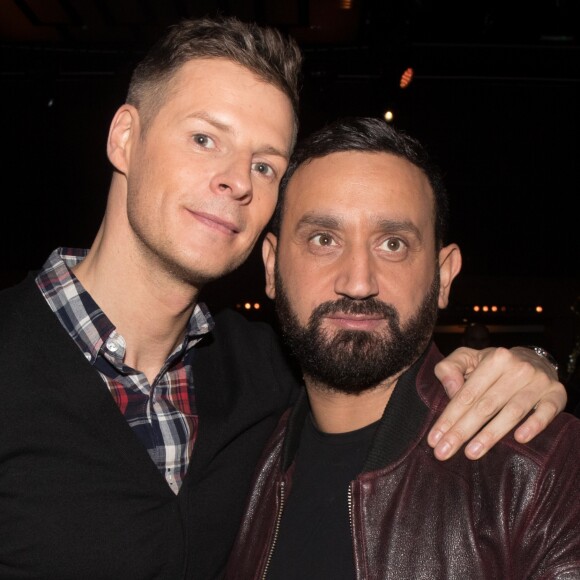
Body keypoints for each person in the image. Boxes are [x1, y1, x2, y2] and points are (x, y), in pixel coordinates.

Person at [0, 16, 567, 580]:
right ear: (125, 137)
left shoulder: (260, 371)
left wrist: (526, 367)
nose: (237, 180)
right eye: (204, 139)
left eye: (264, 164)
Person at [225, 117, 580, 579]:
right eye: (323, 239)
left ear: (444, 275)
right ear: (271, 267)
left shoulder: (541, 467)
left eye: (393, 244)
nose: (357, 281)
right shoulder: (238, 460)